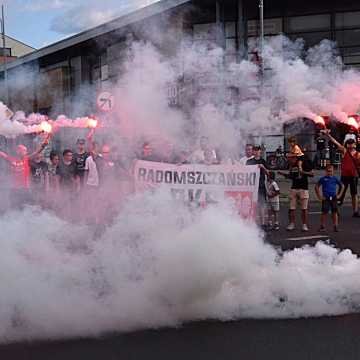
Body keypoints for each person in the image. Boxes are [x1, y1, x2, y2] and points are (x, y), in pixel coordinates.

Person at [0, 135, 50, 208]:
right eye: (23, 150)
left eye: (25, 151)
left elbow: (37, 152)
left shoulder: (27, 159)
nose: (25, 152)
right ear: (18, 151)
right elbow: (3, 155)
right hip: (14, 189)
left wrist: (43, 145)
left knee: (29, 206)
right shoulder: (11, 159)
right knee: (15, 207)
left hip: (25, 188)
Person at [323, 130, 360, 217]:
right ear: (347, 145)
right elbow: (335, 142)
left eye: (352, 144)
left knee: (354, 194)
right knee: (341, 194)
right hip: (345, 176)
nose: (350, 145)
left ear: (355, 145)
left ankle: (355, 211)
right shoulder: (344, 151)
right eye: (349, 143)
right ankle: (336, 210)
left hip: (354, 176)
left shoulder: (358, 154)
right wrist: (328, 135)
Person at [279, 153, 314, 232]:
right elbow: (291, 176)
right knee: (292, 208)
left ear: (294, 157)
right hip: (294, 188)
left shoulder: (304, 163)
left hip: (303, 188)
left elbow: (312, 174)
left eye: (290, 158)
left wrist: (302, 172)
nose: (289, 160)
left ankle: (304, 225)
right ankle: (292, 224)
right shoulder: (291, 166)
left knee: (304, 208)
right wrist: (283, 174)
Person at [315, 164, 344, 232]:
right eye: (328, 171)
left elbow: (342, 186)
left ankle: (335, 226)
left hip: (333, 197)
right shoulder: (323, 179)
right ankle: (322, 226)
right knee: (324, 212)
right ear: (326, 171)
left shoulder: (335, 178)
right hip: (326, 198)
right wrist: (319, 196)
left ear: (333, 171)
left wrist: (339, 195)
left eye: (331, 171)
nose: (329, 172)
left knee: (335, 212)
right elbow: (316, 186)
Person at [247, 145, 270, 229]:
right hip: (252, 186)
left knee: (262, 204)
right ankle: (252, 222)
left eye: (258, 150)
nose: (256, 152)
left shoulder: (263, 161)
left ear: (260, 151)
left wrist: (263, 167)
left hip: (260, 186)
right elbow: (245, 173)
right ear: (253, 152)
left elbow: (269, 174)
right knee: (251, 204)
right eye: (255, 150)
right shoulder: (249, 162)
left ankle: (263, 223)